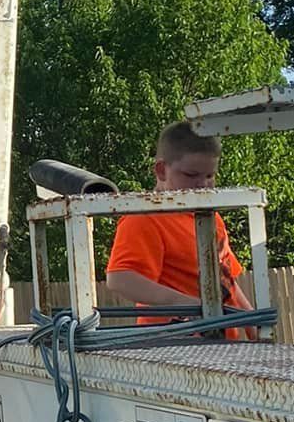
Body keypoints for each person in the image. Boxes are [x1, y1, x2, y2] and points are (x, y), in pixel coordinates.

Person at [105, 121, 253, 335]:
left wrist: (254, 326)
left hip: (221, 345)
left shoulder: (211, 216)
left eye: (210, 175)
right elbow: (121, 279)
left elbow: (227, 280)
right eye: (191, 175)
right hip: (173, 347)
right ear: (161, 170)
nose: (203, 184)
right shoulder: (145, 217)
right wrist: (195, 306)